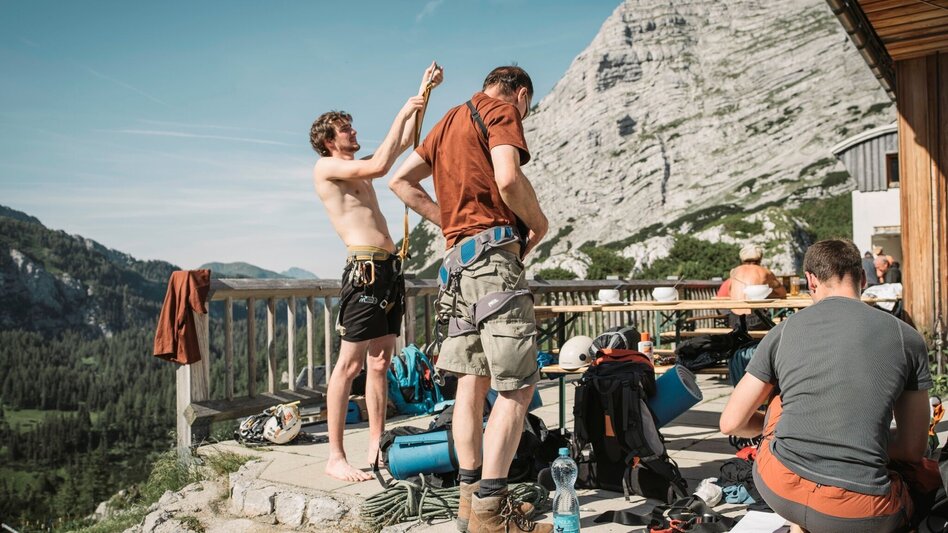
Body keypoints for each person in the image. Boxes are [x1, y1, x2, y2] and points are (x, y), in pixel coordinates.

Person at [390, 66, 551, 533]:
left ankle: (468, 503)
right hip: (494, 262)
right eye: (527, 106)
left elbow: (401, 182)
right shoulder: (502, 110)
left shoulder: (447, 122)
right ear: (520, 94)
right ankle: (491, 513)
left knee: (470, 384)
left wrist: (450, 225)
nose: (524, 114)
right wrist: (538, 224)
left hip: (456, 269)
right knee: (518, 388)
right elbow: (507, 179)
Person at [720, 239, 931, 532]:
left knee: (781, 397)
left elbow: (731, 423)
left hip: (781, 487)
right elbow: (911, 449)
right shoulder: (907, 338)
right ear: (863, 278)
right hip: (863, 511)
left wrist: (785, 431)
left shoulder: (783, 331)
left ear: (810, 280)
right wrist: (859, 442)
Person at [310, 62, 443, 482]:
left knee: (381, 362)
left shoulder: (360, 165)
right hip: (364, 272)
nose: (352, 131)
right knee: (348, 367)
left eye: (350, 125)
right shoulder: (328, 169)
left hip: (388, 271)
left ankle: (375, 445)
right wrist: (403, 110)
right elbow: (385, 162)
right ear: (329, 142)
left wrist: (423, 92)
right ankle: (335, 455)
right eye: (344, 128)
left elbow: (403, 141)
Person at [725, 243, 787, 329]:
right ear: (760, 258)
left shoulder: (734, 272)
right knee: (777, 327)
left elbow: (729, 292)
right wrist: (765, 294)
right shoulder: (764, 272)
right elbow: (782, 293)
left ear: (742, 259)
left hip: (734, 320)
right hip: (755, 320)